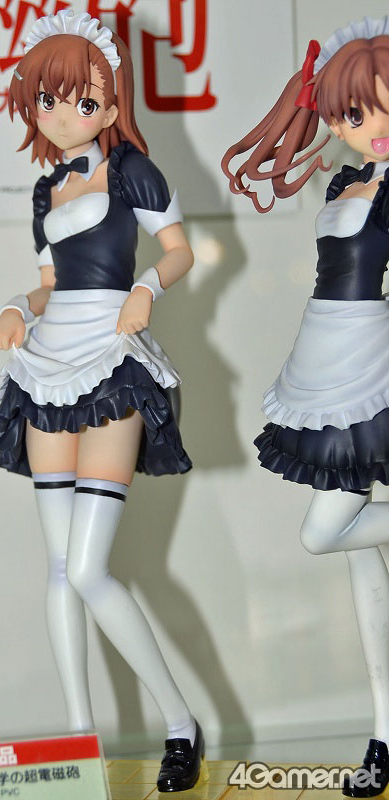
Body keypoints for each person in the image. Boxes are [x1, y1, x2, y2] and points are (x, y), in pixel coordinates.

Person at [0, 9, 202, 793]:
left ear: (112, 106)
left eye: (83, 101)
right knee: (57, 567)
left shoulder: (134, 170)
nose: (62, 115)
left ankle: (180, 723)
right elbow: (48, 283)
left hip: (112, 359)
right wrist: (17, 305)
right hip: (47, 365)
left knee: (86, 567)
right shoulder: (46, 188)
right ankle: (79, 742)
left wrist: (146, 289)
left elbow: (179, 251)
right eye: (48, 99)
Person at [222, 16, 389, 797]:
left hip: (372, 365)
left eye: (383, 105)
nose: (371, 125)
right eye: (355, 112)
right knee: (352, 548)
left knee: (328, 532)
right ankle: (385, 730)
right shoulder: (342, 182)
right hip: (328, 359)